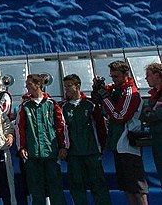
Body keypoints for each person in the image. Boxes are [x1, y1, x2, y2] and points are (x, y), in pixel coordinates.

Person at [92, 60, 148, 204]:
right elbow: (103, 94)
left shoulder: (131, 93)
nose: (114, 80)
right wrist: (99, 88)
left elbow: (119, 116)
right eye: (112, 76)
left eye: (116, 76)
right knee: (127, 187)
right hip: (118, 143)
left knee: (138, 187)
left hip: (128, 143)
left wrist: (105, 98)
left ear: (126, 74)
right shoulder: (117, 89)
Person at [16, 74, 68, 205]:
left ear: (38, 84)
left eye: (29, 83)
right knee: (36, 189)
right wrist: (22, 147)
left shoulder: (52, 104)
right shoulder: (25, 105)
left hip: (51, 152)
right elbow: (19, 128)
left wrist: (63, 146)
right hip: (33, 153)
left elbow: (61, 126)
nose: (27, 86)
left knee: (56, 188)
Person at [59, 74, 111, 205]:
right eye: (65, 86)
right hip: (73, 154)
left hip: (92, 152)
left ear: (78, 86)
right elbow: (60, 130)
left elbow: (101, 127)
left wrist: (100, 147)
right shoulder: (63, 107)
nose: (67, 89)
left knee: (99, 185)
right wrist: (63, 147)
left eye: (69, 86)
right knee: (77, 187)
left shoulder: (90, 104)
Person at [142, 62, 162, 184]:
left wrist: (151, 114)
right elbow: (146, 114)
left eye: (148, 75)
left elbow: (154, 115)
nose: (146, 78)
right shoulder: (154, 95)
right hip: (157, 139)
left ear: (157, 75)